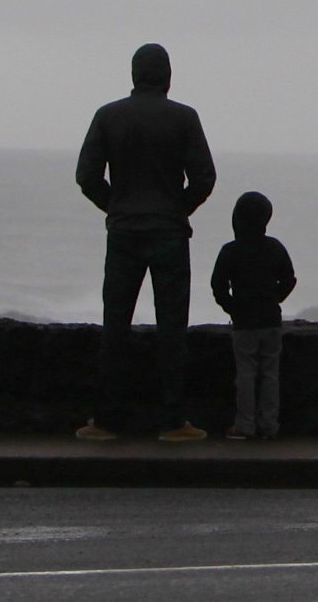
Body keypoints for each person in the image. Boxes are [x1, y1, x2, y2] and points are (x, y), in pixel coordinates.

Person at [72, 42, 215, 441]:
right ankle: (172, 420)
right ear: (168, 76)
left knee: (114, 325)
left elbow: (87, 177)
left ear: (133, 75)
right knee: (172, 328)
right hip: (169, 233)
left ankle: (105, 420)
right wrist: (177, 209)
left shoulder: (108, 116)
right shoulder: (184, 118)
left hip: (123, 232)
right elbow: (204, 178)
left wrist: (116, 206)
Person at [210, 190, 295, 440]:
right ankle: (269, 425)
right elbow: (289, 279)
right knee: (270, 374)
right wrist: (275, 299)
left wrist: (232, 307)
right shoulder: (275, 247)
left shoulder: (230, 251)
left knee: (245, 375)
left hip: (244, 322)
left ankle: (245, 425)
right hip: (270, 320)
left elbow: (218, 286)